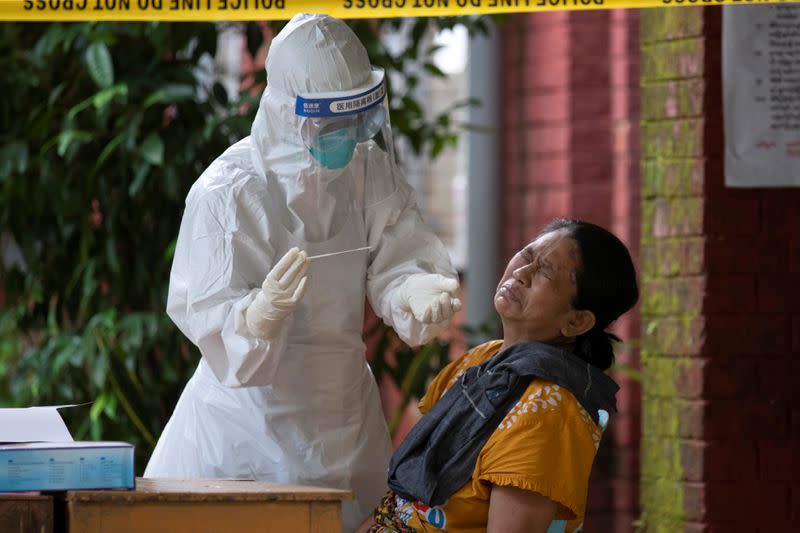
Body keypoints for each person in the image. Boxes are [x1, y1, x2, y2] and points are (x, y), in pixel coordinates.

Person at [144, 13, 461, 533]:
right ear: (288, 112)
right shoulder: (229, 191)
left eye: (357, 120)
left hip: (343, 418)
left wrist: (412, 285)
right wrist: (255, 317)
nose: (351, 138)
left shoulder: (366, 167)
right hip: (245, 427)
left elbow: (398, 248)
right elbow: (206, 311)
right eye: (333, 123)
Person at [357, 219, 639, 533]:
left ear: (576, 321)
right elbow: (401, 501)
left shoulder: (548, 410)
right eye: (527, 254)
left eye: (544, 270)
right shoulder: (478, 361)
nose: (521, 272)